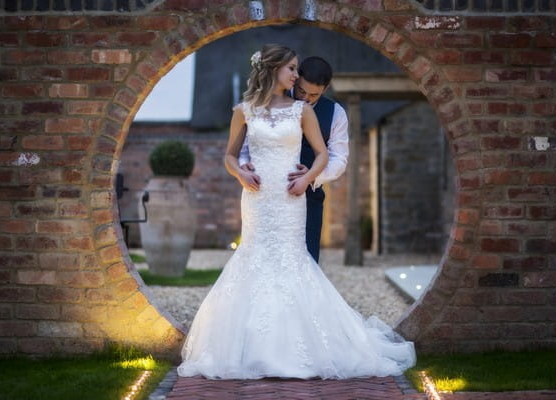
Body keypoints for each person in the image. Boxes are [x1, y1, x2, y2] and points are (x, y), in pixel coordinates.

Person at [177, 44, 415, 380]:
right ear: (276, 71)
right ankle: (253, 347)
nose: (301, 91)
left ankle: (304, 344)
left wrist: (308, 178)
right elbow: (234, 154)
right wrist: (242, 171)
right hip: (258, 199)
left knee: (300, 263)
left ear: (323, 90)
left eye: (309, 90)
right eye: (294, 75)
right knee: (255, 260)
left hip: (299, 196)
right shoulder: (245, 110)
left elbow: (334, 158)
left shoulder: (321, 113)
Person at [239, 56, 349, 263]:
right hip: (265, 194)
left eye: (314, 94)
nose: (306, 99)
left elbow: (339, 158)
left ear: (325, 89)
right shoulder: (268, 103)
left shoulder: (336, 114)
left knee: (305, 261)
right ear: (295, 80)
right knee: (262, 259)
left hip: (309, 197)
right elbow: (246, 144)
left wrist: (311, 177)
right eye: (301, 91)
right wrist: (245, 168)